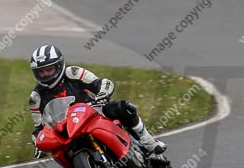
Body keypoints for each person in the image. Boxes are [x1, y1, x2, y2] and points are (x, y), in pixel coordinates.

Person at [29, 44, 167, 156]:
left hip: (94, 112)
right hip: (67, 131)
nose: (45, 74)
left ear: (59, 66)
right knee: (60, 152)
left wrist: (103, 94)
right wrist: (38, 145)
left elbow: (102, 83)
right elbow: (38, 129)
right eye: (41, 71)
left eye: (49, 69)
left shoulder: (73, 73)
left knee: (122, 106)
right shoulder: (36, 97)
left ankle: (148, 140)